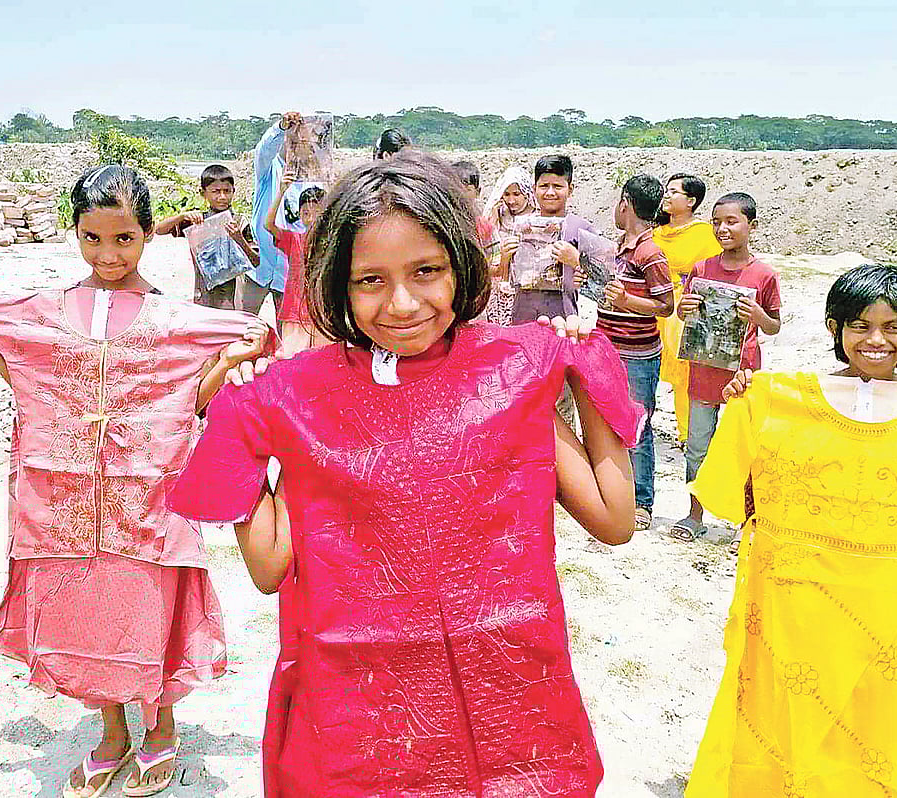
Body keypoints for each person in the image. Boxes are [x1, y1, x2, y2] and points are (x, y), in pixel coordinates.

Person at [168, 151, 646, 797]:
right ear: (336, 284)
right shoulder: (298, 399)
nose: (401, 302)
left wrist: (584, 366)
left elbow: (614, 520)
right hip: (365, 720)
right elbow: (269, 568)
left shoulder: (513, 379)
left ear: (462, 264)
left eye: (427, 271)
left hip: (506, 706)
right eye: (370, 279)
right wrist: (252, 420)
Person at [0, 165, 271, 798]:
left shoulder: (173, 318)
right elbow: (34, 387)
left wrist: (229, 360)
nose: (108, 255)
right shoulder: (47, 312)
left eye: (124, 238)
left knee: (148, 607)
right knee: (84, 613)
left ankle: (161, 729)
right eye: (92, 238)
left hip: (146, 500)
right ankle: (112, 732)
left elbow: (189, 402)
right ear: (74, 234)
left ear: (148, 233)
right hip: (66, 507)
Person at [685, 263, 897, 797]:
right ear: (834, 327)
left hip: (893, 613)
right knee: (783, 717)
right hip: (793, 606)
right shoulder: (777, 401)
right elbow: (727, 491)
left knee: (877, 721)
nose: (876, 340)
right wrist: (746, 395)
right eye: (860, 325)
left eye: (892, 327)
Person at [669, 193, 780, 542]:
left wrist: (758, 316)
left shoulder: (763, 274)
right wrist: (684, 308)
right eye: (716, 222)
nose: (722, 229)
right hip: (702, 373)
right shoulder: (702, 269)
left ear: (752, 226)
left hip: (743, 377)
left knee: (743, 449)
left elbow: (774, 326)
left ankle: (745, 521)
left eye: (731, 221)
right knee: (697, 448)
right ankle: (694, 515)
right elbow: (683, 313)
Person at [595, 174, 674, 532]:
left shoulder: (650, 253)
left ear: (625, 203)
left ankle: (642, 501)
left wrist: (627, 301)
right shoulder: (620, 247)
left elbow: (666, 305)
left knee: (638, 426)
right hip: (608, 348)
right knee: (610, 422)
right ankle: (614, 492)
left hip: (637, 355)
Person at [654, 173, 722, 443]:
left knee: (685, 372)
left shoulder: (704, 234)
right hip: (653, 305)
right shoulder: (655, 232)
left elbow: (714, 272)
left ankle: (687, 433)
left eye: (674, 192)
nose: (667, 196)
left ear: (691, 201)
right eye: (666, 190)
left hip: (685, 308)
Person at [155, 164, 259, 310]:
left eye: (227, 191)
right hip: (203, 296)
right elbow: (159, 230)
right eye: (215, 191)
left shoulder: (239, 223)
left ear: (233, 191)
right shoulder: (198, 222)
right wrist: (182, 216)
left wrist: (239, 239)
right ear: (203, 193)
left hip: (231, 300)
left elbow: (256, 261)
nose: (222, 197)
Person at [508, 155, 596, 324]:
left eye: (557, 186)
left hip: (563, 320)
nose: (550, 192)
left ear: (570, 189)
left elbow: (604, 281)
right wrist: (506, 256)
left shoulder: (582, 229)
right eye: (544, 186)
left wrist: (576, 260)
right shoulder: (521, 226)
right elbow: (506, 276)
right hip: (523, 319)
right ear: (534, 189)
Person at [246, 111, 304, 317]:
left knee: (286, 325)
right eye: (292, 139)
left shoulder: (314, 179)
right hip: (259, 263)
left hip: (288, 271)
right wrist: (280, 127)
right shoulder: (268, 169)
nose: (296, 146)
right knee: (244, 321)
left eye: (302, 142)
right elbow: (264, 149)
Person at [266, 169, 326, 356]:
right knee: (291, 359)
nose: (311, 217)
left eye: (317, 212)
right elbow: (269, 225)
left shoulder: (333, 243)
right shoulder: (294, 239)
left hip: (323, 313)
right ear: (299, 213)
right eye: (305, 212)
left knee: (322, 361)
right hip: (294, 312)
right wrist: (281, 191)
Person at [479, 165, 538, 325]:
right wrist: (492, 225)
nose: (511, 200)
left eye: (516, 194)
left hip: (528, 289)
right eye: (506, 194)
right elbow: (485, 258)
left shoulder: (537, 219)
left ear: (527, 193)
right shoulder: (497, 217)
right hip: (499, 291)